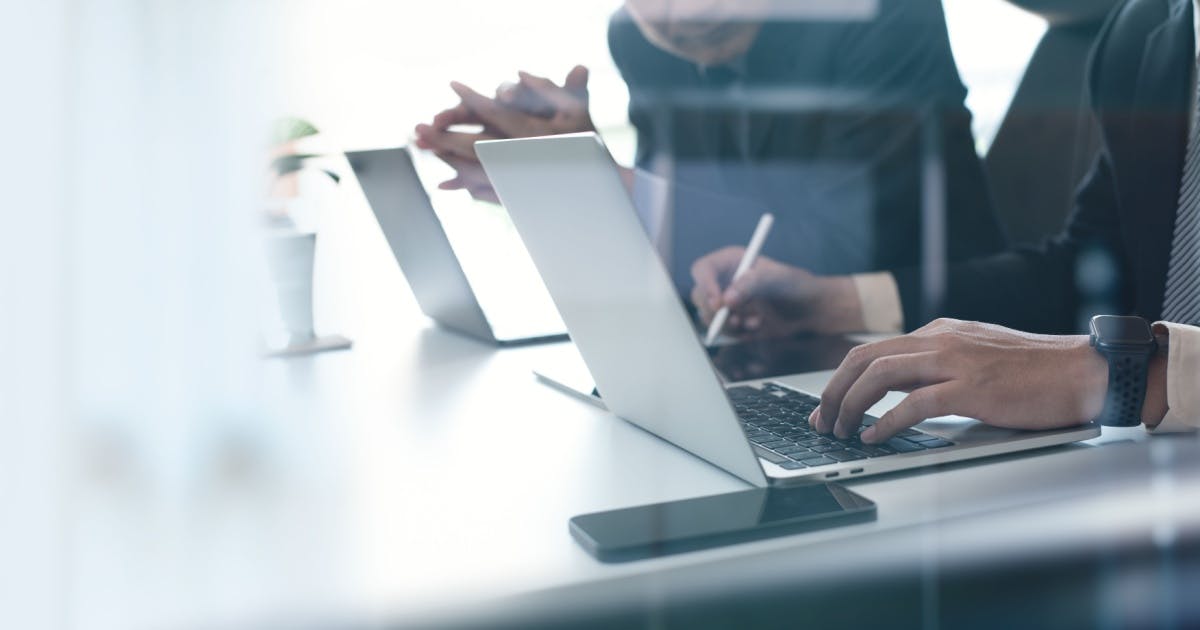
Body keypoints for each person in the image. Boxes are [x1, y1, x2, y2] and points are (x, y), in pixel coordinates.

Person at [691, 0, 1200, 441]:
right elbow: (1080, 272)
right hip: (1147, 459)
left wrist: (1116, 375)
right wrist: (832, 302)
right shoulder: (1151, 33)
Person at [415, 0, 1006, 297]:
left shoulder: (879, 14)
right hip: (759, 355)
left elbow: (843, 255)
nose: (679, 16)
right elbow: (678, 250)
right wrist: (570, 170)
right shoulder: (638, 38)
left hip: (922, 339)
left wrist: (596, 182)